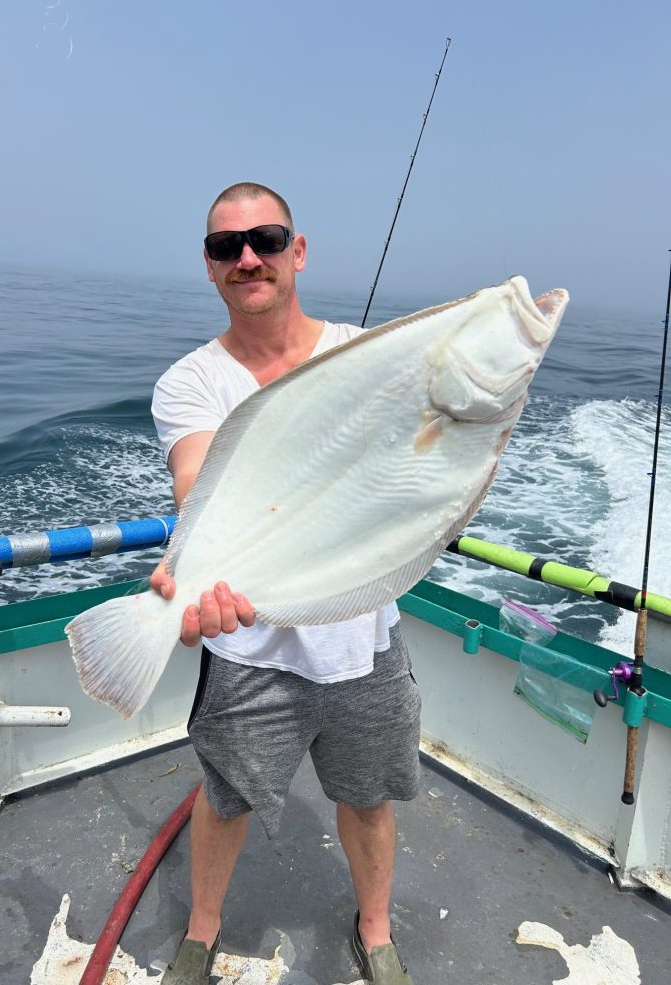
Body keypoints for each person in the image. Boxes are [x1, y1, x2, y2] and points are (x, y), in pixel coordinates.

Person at [149, 182, 422, 985]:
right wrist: (195, 578)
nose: (247, 258)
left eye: (265, 239)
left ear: (297, 252)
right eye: (224, 247)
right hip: (250, 645)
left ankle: (374, 931)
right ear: (209, 269)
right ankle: (201, 934)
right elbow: (197, 483)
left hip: (363, 639)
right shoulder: (190, 381)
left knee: (367, 798)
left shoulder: (363, 354)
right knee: (225, 794)